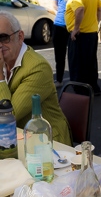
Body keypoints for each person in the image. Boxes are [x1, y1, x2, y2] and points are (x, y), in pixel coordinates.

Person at [0, 11, 72, 145]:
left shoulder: (38, 67)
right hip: (17, 138)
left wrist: (0, 78)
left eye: (3, 38)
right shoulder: (3, 62)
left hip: (48, 144)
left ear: (20, 36)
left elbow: (9, 116)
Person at [64, 0, 101, 96]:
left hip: (80, 34)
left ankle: (79, 91)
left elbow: (79, 8)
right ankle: (93, 88)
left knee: (77, 64)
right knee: (90, 62)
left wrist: (76, 28)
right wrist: (95, 22)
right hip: (92, 33)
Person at [51, 0, 78, 88]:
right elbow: (54, 5)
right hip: (59, 24)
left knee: (74, 56)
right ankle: (60, 80)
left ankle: (74, 81)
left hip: (73, 26)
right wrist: (64, 13)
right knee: (59, 55)